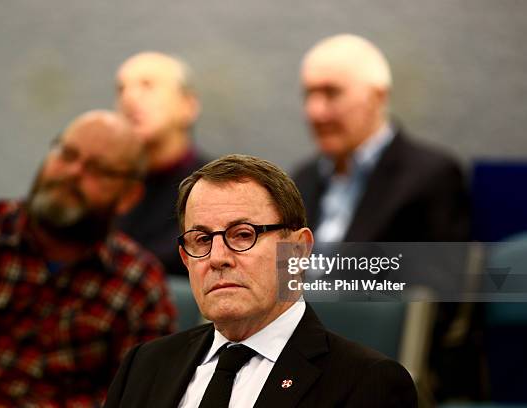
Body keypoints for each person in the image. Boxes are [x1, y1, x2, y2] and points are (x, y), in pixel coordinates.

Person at [104, 154, 417, 407]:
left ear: (297, 250)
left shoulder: (367, 384)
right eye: (200, 239)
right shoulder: (144, 367)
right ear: (185, 259)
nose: (217, 258)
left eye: (242, 235)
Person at [0, 110, 176, 406]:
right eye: (67, 154)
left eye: (97, 168)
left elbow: (140, 397)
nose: (73, 173)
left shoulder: (138, 285)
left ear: (128, 196)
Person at [293, 34, 470, 243]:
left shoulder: (431, 178)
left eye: (332, 93)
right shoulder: (302, 179)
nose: (315, 112)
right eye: (309, 95)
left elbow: (435, 274)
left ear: (377, 97)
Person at [114, 51, 209, 277]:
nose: (129, 98)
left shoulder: (214, 186)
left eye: (147, 85)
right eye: (121, 89)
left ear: (188, 106)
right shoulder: (108, 187)